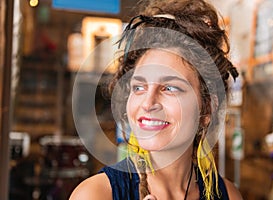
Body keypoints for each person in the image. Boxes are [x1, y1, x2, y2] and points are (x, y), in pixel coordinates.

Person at [70, 0, 243, 199]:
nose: (148, 102)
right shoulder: (95, 194)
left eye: (170, 88)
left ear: (207, 110)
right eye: (139, 87)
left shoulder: (228, 195)